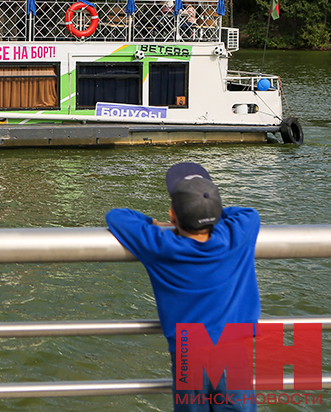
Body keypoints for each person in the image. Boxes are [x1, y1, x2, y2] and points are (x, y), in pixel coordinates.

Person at [106, 163, 260, 412]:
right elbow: (249, 213)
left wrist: (151, 222)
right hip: (234, 347)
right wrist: (213, 214)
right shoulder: (236, 235)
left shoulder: (160, 245)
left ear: (172, 215)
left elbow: (116, 216)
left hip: (189, 351)